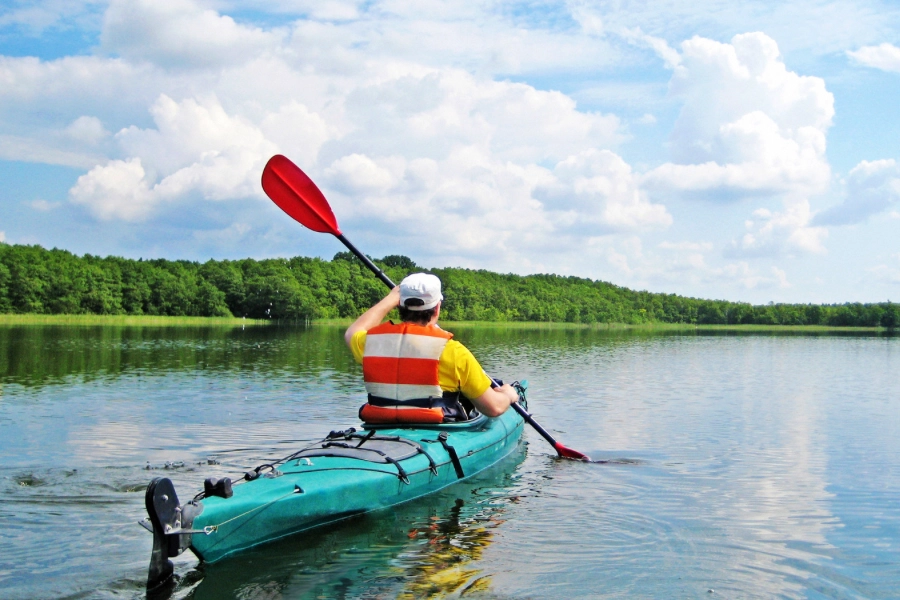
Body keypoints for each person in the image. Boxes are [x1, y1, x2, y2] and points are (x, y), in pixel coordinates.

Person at [345, 273, 519, 424]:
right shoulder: (453, 351)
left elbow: (352, 332)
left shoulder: (373, 343)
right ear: (437, 308)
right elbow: (494, 408)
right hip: (435, 426)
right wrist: (509, 395)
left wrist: (389, 299)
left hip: (381, 424)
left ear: (399, 306)